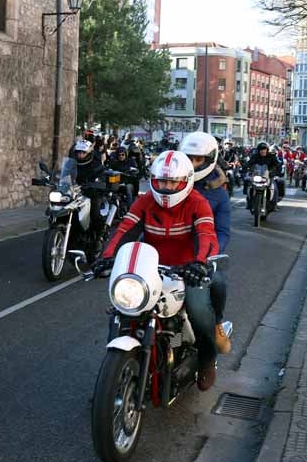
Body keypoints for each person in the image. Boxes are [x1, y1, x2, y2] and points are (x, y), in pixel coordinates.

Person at [95, 151, 221, 389]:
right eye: (162, 181)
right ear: (153, 179)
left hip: (187, 271)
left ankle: (206, 360)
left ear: (185, 181)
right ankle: (111, 380)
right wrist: (108, 256)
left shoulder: (197, 203)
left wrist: (199, 262)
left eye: (173, 181)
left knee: (199, 312)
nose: (166, 186)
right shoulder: (145, 201)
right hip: (149, 268)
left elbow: (206, 234)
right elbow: (125, 229)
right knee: (122, 310)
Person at [180, 132, 232, 353]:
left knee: (217, 283)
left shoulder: (218, 194)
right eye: (188, 157)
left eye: (198, 159)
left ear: (209, 160)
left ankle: (213, 335)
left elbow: (222, 232)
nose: (192, 164)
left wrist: (209, 256)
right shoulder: (171, 183)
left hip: (200, 257)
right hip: (166, 254)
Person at [245, 142, 281, 208]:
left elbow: (277, 165)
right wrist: (247, 168)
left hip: (268, 176)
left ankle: (274, 203)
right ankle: (249, 201)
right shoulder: (255, 156)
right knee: (248, 183)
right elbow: (249, 163)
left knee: (275, 187)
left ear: (267, 150)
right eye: (261, 149)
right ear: (258, 150)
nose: (263, 151)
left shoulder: (271, 156)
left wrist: (275, 172)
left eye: (264, 149)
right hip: (257, 176)